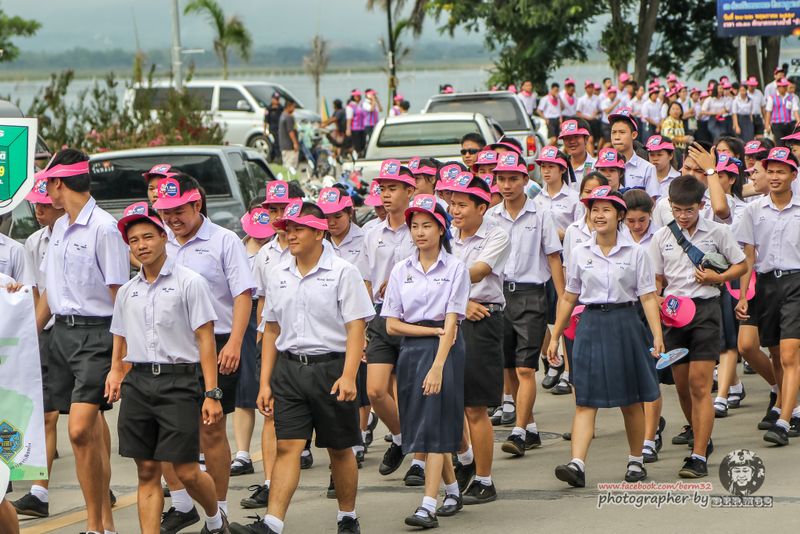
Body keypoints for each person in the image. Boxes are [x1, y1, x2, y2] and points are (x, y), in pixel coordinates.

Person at [229, 202, 375, 534]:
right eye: (287, 229)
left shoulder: (343, 272)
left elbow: (356, 327)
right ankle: (272, 523)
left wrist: (349, 375)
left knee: (339, 449)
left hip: (331, 370)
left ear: (319, 233)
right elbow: (271, 330)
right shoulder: (278, 273)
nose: (291, 235)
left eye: (298, 229)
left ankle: (347, 516)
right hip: (289, 370)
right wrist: (265, 382)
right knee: (287, 446)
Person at [104, 203, 228, 534]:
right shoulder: (127, 291)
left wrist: (212, 393)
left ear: (163, 237)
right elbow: (120, 335)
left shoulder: (190, 282)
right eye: (134, 240)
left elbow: (206, 340)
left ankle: (216, 520)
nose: (141, 245)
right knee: (146, 469)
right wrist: (115, 371)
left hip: (179, 383)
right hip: (139, 384)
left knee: (187, 471)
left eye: (148, 237)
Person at [35, 149, 129, 534]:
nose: (45, 194)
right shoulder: (59, 227)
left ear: (59, 183)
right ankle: (105, 524)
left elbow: (120, 297)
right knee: (87, 433)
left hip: (97, 334)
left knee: (77, 431)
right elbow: (49, 292)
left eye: (47, 184)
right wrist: (27, 335)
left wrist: (119, 362)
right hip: (61, 334)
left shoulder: (105, 228)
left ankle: (93, 526)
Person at [155, 174, 256, 531]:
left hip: (217, 341)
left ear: (197, 204)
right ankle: (182, 505)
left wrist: (235, 343)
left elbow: (243, 295)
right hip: (170, 347)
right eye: (165, 212)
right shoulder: (159, 240)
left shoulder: (224, 240)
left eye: (179, 210)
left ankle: (220, 511)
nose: (172, 219)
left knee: (210, 430)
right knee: (165, 428)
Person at [548, 186, 664, 486]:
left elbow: (648, 296)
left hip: (626, 324)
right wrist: (555, 336)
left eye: (606, 210)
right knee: (585, 399)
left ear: (620, 215)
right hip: (590, 325)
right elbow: (569, 296)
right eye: (594, 210)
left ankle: (636, 460)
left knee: (632, 399)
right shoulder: (579, 252)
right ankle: (576, 464)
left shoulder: (636, 253)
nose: (599, 215)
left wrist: (657, 335)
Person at [648, 176, 747, 478]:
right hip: (674, 314)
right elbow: (655, 280)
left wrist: (718, 278)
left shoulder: (717, 231)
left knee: (699, 385)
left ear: (701, 206)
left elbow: (741, 264)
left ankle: (698, 456)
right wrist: (658, 300)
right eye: (677, 209)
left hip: (706, 311)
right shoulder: (661, 236)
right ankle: (701, 433)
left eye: (689, 210)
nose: (683, 216)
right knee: (681, 386)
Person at [381, 194, 469, 528]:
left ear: (441, 228)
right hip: (413, 349)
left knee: (434, 426)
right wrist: (428, 332)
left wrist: (437, 366)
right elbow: (392, 324)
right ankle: (453, 490)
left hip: (445, 350)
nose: (420, 232)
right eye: (415, 226)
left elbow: (452, 322)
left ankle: (427, 506)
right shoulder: (401, 269)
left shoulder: (456, 268)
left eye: (427, 226)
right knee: (424, 425)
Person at [487, 152, 563, 459]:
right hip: (499, 295)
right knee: (508, 366)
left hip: (532, 295)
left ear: (525, 179)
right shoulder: (491, 217)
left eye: (513, 179)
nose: (506, 185)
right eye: (501, 179)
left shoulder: (541, 214)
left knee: (525, 367)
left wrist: (564, 302)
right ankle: (529, 427)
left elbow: (554, 258)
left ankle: (518, 431)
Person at [447, 173, 510, 504]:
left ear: (482, 207)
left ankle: (485, 480)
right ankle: (466, 460)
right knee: (449, 402)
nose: (454, 211)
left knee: (474, 407)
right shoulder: (446, 234)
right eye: (452, 204)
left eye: (461, 205)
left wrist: (451, 292)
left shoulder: (496, 235)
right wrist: (460, 302)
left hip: (482, 320)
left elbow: (479, 271)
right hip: (449, 319)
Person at [356, 160, 418, 481]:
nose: (386, 195)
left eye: (393, 188)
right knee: (376, 391)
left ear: (410, 190)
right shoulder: (371, 233)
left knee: (412, 392)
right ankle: (401, 437)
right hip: (381, 317)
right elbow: (366, 281)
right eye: (382, 189)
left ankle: (421, 461)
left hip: (414, 317)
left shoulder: (421, 228)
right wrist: (363, 326)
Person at [734, 147, 800, 444]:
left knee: (789, 352)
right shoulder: (753, 210)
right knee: (774, 353)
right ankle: (793, 407)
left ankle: (783, 421)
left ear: (793, 175)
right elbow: (748, 256)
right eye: (770, 171)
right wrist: (743, 295)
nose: (774, 177)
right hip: (765, 284)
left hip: (796, 282)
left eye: (781, 171)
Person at [11, 178, 66, 519]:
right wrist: (31, 331)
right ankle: (39, 492)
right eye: (35, 204)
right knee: (46, 414)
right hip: (45, 333)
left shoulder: (83, 233)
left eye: (44, 203)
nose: (38, 209)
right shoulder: (33, 242)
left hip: (81, 332)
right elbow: (34, 292)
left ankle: (99, 480)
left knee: (87, 419)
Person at [230, 202, 277, 481]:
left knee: (274, 387)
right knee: (244, 388)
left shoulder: (281, 249)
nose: (261, 238)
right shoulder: (235, 247)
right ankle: (242, 453)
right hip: (243, 319)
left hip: (273, 318)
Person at [608, 107, 660, 198]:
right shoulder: (601, 167)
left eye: (622, 132)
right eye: (614, 132)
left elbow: (652, 202)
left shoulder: (647, 168)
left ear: (634, 135)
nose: (617, 137)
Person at [534, 147, 582, 238]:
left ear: (563, 169)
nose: (546, 171)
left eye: (551, 166)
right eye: (543, 166)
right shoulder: (536, 198)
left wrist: (564, 236)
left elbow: (581, 233)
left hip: (567, 246)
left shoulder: (575, 198)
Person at [559, 119, 595, 191]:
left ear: (586, 139)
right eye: (567, 138)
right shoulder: (559, 167)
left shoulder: (596, 167)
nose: (572, 141)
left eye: (576, 136)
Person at [765, 79, 798, 147]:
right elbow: (768, 112)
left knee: (790, 144)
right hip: (777, 125)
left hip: (789, 124)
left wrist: (798, 121)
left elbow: (795, 110)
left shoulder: (791, 97)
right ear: (778, 87)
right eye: (783, 86)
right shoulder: (772, 97)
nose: (785, 88)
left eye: (785, 86)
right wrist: (767, 125)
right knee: (780, 144)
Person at [278, 100, 300, 170]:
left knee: (286, 165)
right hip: (290, 147)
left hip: (284, 146)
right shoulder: (288, 117)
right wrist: (295, 143)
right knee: (291, 167)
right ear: (288, 106)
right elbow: (290, 131)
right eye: (293, 107)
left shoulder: (282, 116)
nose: (294, 109)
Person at [346, 90, 367, 157]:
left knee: (363, 144)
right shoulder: (350, 106)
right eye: (356, 96)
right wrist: (348, 129)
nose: (358, 97)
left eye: (359, 96)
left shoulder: (361, 105)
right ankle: (358, 155)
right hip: (355, 128)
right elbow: (349, 118)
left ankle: (361, 155)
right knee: (357, 145)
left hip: (362, 128)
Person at [266, 92, 284, 162]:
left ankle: (277, 157)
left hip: (279, 129)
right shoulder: (269, 108)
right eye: (275, 99)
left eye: (278, 99)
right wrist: (265, 130)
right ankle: (274, 157)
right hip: (272, 130)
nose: (277, 101)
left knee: (278, 143)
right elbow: (266, 120)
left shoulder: (281, 108)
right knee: (273, 144)